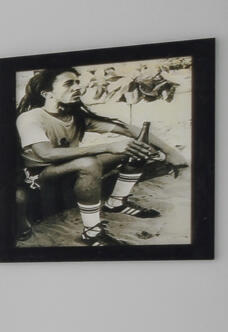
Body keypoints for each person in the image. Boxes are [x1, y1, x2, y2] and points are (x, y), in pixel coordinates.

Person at [13, 66, 181, 246]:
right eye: (69, 84)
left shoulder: (75, 116)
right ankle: (92, 232)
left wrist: (170, 152)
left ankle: (117, 202)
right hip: (38, 177)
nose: (77, 87)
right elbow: (45, 154)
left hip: (68, 168)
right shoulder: (31, 117)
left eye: (77, 82)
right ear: (47, 94)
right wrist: (107, 146)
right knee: (88, 163)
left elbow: (128, 129)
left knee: (135, 146)